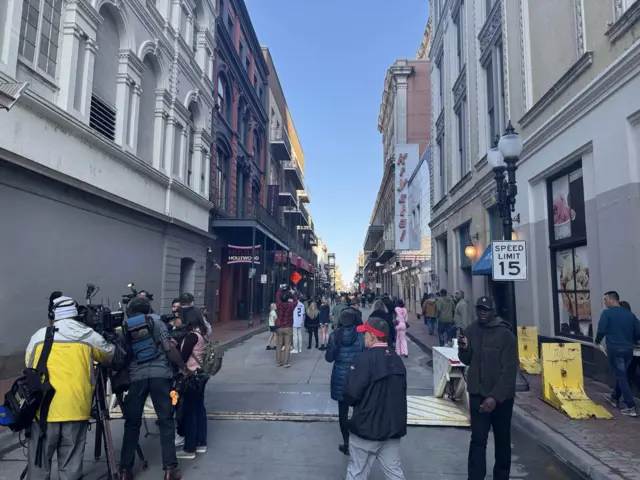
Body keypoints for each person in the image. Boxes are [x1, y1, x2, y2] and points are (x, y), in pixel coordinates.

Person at [25, 296, 114, 479]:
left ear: (53, 314)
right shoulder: (88, 335)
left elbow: (29, 365)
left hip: (43, 410)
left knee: (39, 464)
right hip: (76, 409)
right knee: (71, 465)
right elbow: (110, 354)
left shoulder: (40, 336)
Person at [119, 296, 191, 480]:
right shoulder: (156, 322)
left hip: (137, 377)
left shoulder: (126, 327)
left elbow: (123, 354)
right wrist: (183, 367)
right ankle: (170, 469)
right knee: (166, 421)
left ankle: (125, 470)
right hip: (160, 376)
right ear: (148, 309)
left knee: (132, 423)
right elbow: (168, 348)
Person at [458, 296, 518, 480]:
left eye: (486, 309)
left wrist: (495, 397)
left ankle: (501, 476)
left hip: (501, 399)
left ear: (493, 311)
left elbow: (509, 370)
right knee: (477, 441)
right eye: (479, 309)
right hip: (477, 394)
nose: (482, 313)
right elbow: (466, 360)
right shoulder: (471, 330)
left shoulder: (505, 334)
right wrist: (464, 349)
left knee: (502, 441)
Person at [343, 317, 407, 479]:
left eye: (365, 334)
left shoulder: (364, 359)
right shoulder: (397, 360)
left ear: (372, 336)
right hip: (391, 428)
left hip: (367, 427)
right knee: (394, 472)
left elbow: (351, 393)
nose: (364, 337)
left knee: (357, 472)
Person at [325, 308, 365, 456]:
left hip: (340, 378)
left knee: (343, 412)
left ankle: (347, 442)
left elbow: (329, 358)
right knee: (358, 409)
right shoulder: (361, 336)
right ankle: (359, 441)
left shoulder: (335, 335)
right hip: (357, 377)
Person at [596, 291, 640, 417]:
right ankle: (614, 398)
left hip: (615, 350)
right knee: (623, 375)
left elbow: (602, 330)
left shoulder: (607, 313)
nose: (604, 302)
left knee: (621, 376)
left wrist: (597, 341)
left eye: (605, 300)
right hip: (628, 351)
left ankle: (630, 406)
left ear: (612, 300)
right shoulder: (630, 315)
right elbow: (638, 333)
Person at [176, 308, 210, 459]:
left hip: (191, 376)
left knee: (189, 412)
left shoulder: (191, 336)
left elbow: (182, 357)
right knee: (199, 409)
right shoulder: (202, 333)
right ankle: (201, 443)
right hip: (200, 375)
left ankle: (189, 448)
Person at [276, 286, 297, 368]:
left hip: (279, 327)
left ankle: (278, 362)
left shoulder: (279, 305)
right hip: (288, 326)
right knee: (287, 345)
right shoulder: (291, 305)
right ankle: (286, 363)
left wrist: (280, 288)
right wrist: (292, 294)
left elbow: (277, 295)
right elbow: (296, 300)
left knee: (279, 345)